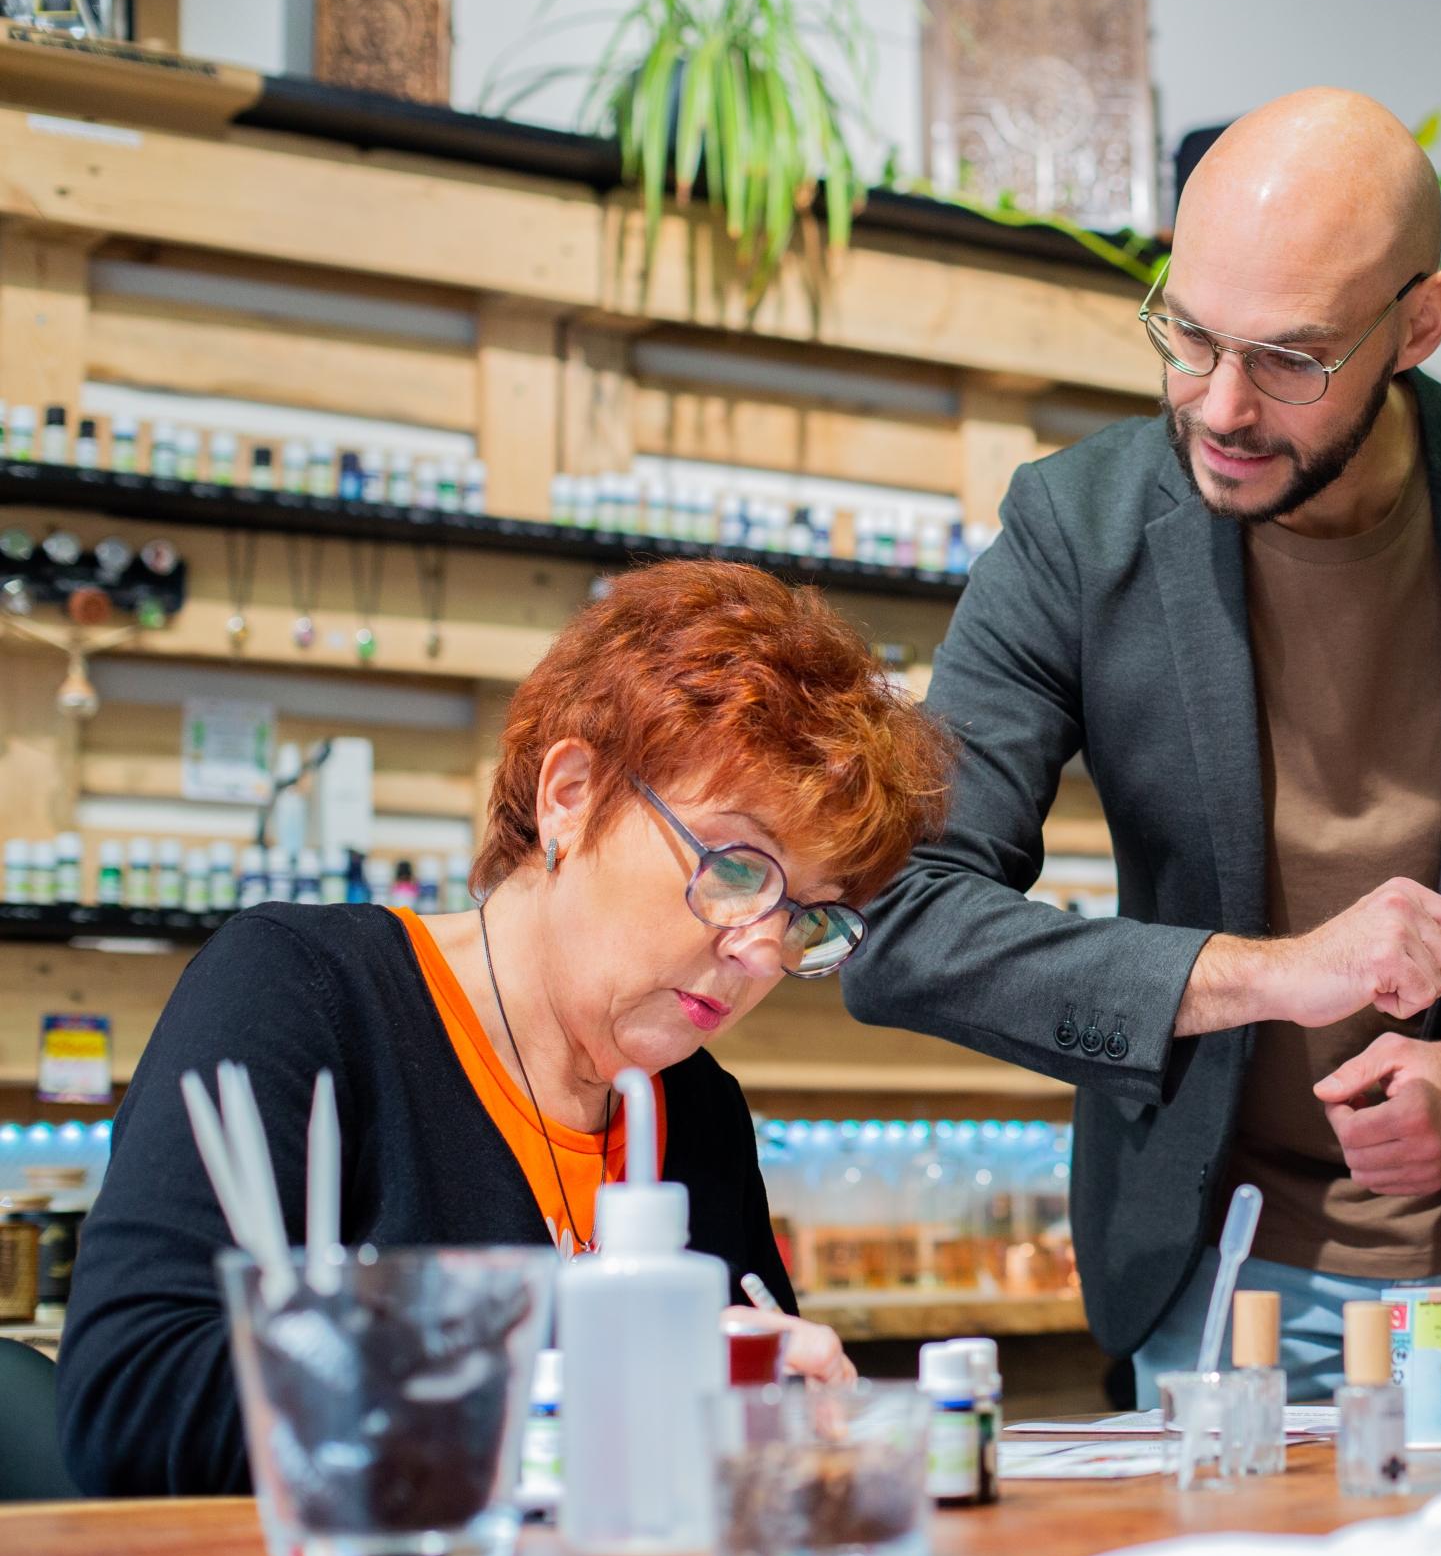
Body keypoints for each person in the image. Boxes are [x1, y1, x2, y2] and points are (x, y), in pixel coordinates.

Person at [843, 87, 1441, 1401]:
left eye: (1290, 358)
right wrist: (1273, 974)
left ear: (1419, 327)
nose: (1218, 406)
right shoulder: (1073, 531)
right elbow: (904, 922)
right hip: (1210, 1282)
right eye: (1190, 335)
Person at [58, 561, 952, 1496]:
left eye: (810, 916)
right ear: (569, 795)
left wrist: (781, 1411)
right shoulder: (303, 990)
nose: (763, 951)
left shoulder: (695, 1110)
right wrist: (589, 1366)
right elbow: (133, 1399)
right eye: (737, 869)